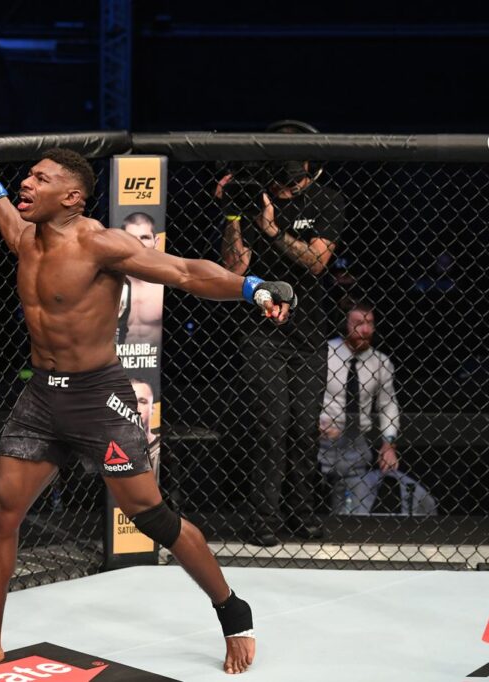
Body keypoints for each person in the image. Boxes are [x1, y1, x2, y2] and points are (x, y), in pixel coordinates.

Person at [0, 139, 299, 676]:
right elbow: (7, 220)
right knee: (1, 515)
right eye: (26, 176)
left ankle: (232, 610)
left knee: (149, 515)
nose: (28, 183)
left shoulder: (101, 244)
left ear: (73, 197)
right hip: (40, 397)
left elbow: (187, 273)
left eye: (40, 178)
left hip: (98, 398)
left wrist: (252, 287)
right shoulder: (27, 237)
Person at [218, 119, 346, 546]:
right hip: (260, 332)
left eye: (293, 179)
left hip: (309, 333)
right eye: (280, 178)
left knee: (303, 427)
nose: (286, 188)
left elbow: (316, 262)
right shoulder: (254, 196)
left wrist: (273, 230)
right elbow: (235, 269)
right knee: (272, 425)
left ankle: (300, 514)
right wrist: (235, 214)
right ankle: (262, 519)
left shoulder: (327, 200)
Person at [319, 303, 437, 515]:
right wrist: (314, 423)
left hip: (356, 453)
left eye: (369, 324)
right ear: (344, 325)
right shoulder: (324, 354)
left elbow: (388, 406)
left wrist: (389, 444)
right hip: (319, 445)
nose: (365, 330)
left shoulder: (380, 362)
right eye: (358, 323)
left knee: (352, 513)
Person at [116, 212, 164, 346]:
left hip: (156, 363)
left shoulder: (166, 285)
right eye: (131, 238)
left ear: (156, 241)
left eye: (145, 237)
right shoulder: (109, 283)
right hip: (114, 362)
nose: (138, 244)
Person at [130, 377, 161, 475]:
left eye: (142, 401)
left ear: (152, 409)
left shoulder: (162, 451)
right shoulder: (110, 448)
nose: (135, 407)